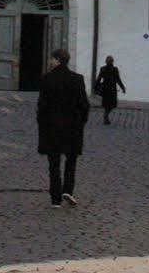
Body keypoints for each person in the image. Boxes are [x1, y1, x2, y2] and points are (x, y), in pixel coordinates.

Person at [36, 49, 92, 207]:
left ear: (58, 60)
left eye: (52, 59)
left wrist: (42, 123)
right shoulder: (77, 79)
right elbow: (84, 105)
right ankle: (68, 190)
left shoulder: (47, 79)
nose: (50, 62)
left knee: (53, 164)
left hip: (52, 128)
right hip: (72, 128)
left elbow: (42, 106)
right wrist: (81, 123)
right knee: (71, 160)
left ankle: (55, 198)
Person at [93, 55, 126, 125]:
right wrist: (122, 87)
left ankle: (106, 116)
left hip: (106, 89)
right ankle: (106, 116)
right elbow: (118, 79)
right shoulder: (114, 69)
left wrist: (95, 87)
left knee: (107, 104)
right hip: (111, 89)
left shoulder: (104, 69)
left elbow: (99, 78)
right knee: (111, 104)